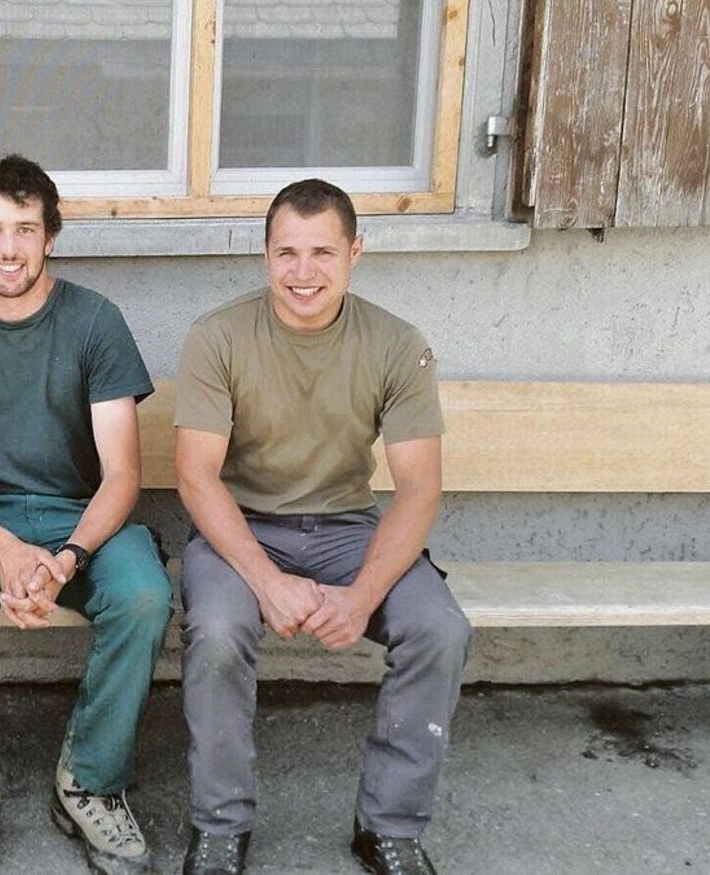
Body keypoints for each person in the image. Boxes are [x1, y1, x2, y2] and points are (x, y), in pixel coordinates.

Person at [174, 179, 471, 875]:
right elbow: (196, 475)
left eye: (321, 253)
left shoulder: (396, 344)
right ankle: (220, 826)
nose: (302, 272)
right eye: (286, 253)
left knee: (440, 627)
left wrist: (362, 594)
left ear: (355, 252)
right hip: (242, 528)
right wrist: (268, 581)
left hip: (347, 528)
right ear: (265, 255)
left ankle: (389, 826)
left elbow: (419, 487)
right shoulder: (217, 336)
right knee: (218, 631)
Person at [0, 154, 172, 875]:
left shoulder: (94, 320)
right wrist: (3, 548)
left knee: (144, 592)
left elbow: (123, 475)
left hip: (79, 520)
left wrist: (68, 557)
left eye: (25, 228)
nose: (8, 247)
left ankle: (89, 780)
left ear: (51, 236)